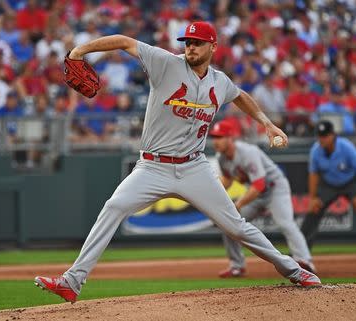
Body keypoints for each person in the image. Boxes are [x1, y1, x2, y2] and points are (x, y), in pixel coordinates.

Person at [34, 21, 320, 303]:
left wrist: (267, 124)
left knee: (236, 227)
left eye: (197, 43)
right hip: (152, 166)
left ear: (213, 47)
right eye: (188, 42)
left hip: (194, 167)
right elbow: (123, 41)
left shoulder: (219, 82)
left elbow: (239, 96)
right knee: (114, 207)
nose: (191, 47)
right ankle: (72, 281)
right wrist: (79, 51)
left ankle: (294, 270)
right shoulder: (165, 63)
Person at [210, 120, 315, 278]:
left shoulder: (247, 152)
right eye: (214, 137)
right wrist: (212, 196)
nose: (216, 141)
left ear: (230, 138)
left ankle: (305, 261)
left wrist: (238, 204)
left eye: (220, 137)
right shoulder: (222, 158)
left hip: (275, 188)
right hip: (255, 195)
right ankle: (236, 266)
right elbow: (227, 180)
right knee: (228, 222)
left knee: (286, 223)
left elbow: (259, 185)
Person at [300, 120, 356, 258]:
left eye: (325, 136)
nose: (322, 139)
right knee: (313, 210)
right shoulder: (315, 150)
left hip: (350, 183)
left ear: (333, 135)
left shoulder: (346, 147)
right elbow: (313, 175)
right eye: (320, 136)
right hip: (328, 185)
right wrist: (313, 198)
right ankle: (302, 250)